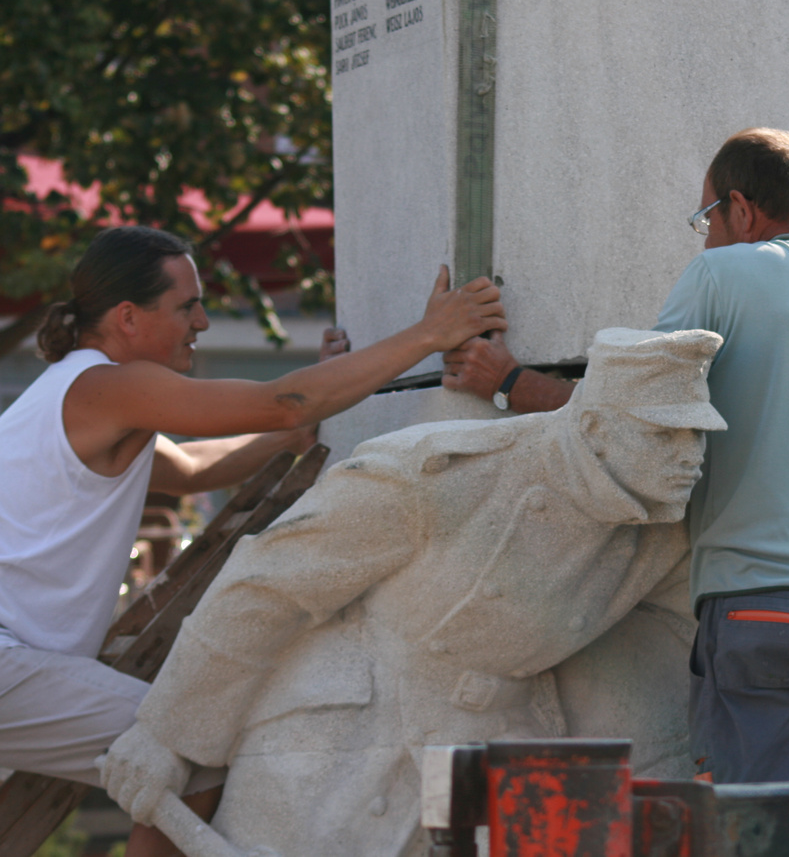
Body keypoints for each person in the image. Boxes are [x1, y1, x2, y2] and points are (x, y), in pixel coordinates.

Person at [442, 128, 789, 783]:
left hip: (760, 610)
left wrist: (512, 383)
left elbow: (638, 420)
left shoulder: (720, 272)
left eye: (704, 218)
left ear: (741, 210)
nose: (705, 235)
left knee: (755, 831)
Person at [101, 327, 726, 857]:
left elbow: (658, 658)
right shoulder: (436, 476)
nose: (689, 459)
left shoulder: (665, 529)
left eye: (696, 436)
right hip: (342, 739)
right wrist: (167, 736)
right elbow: (268, 583)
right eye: (665, 436)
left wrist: (655, 784)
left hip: (493, 746)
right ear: (594, 425)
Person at [0, 225, 504, 857]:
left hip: (16, 662)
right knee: (184, 747)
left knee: (182, 749)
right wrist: (431, 334)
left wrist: (301, 422)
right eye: (187, 306)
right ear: (128, 318)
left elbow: (192, 469)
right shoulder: (108, 386)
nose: (203, 322)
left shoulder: (76, 393)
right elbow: (283, 402)